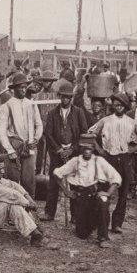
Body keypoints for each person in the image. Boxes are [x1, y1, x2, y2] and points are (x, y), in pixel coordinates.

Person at [88, 93, 137, 233]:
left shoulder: (131, 122)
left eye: (121, 104)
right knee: (104, 190)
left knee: (123, 192)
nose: (119, 107)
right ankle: (102, 221)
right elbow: (91, 134)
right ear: (112, 105)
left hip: (125, 159)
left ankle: (117, 224)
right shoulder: (105, 120)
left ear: (126, 106)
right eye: (116, 104)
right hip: (109, 158)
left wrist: (134, 148)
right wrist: (99, 150)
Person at [54, 134, 121, 248]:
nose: (87, 151)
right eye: (84, 148)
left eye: (89, 148)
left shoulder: (99, 161)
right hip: (82, 197)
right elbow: (57, 174)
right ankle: (92, 222)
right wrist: (66, 191)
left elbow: (116, 178)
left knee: (103, 201)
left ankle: (103, 237)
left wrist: (108, 193)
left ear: (93, 149)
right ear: (80, 149)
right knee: (82, 234)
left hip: (96, 194)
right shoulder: (75, 161)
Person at [39, 83, 88, 221]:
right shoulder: (52, 113)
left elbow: (83, 134)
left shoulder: (78, 112)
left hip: (73, 153)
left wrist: (72, 149)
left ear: (71, 98)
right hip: (57, 152)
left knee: (74, 183)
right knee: (54, 182)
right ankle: (49, 213)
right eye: (63, 97)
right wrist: (59, 150)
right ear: (59, 97)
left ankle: (75, 215)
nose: (65, 100)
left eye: (68, 97)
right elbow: (48, 134)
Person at [0, 73, 43, 198]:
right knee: (12, 181)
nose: (23, 90)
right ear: (14, 89)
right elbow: (0, 131)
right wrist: (9, 149)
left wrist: (36, 138)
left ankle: (29, 210)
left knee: (29, 180)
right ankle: (12, 210)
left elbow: (39, 125)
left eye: (25, 87)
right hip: (14, 145)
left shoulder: (31, 105)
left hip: (29, 146)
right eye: (20, 87)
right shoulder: (6, 106)